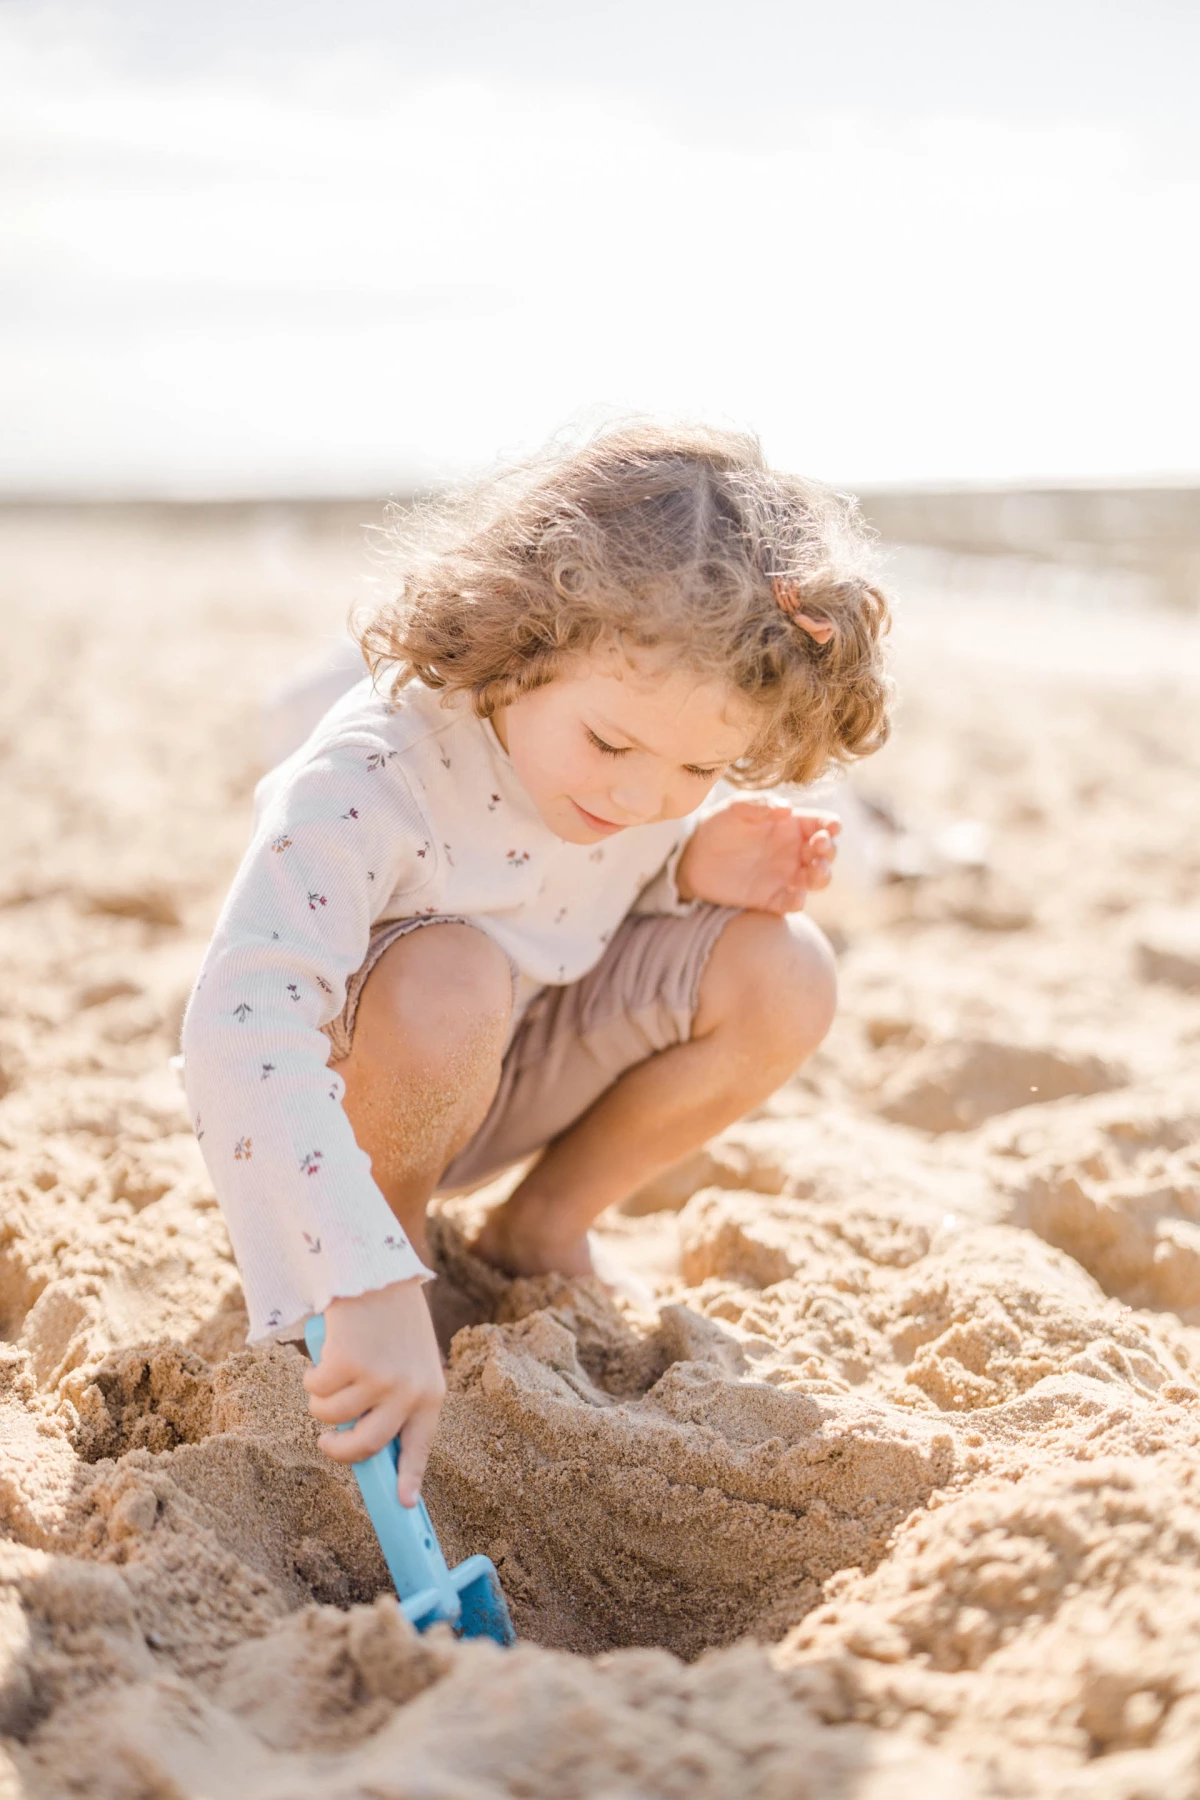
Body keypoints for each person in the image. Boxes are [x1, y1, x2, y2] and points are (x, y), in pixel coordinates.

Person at [180, 422, 892, 1506]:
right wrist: (357, 1270)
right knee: (449, 972)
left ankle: (541, 1226)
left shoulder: (636, 773)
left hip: (523, 1060)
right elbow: (243, 1016)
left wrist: (693, 866)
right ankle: (402, 1239)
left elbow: (575, 885)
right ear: (524, 640)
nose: (642, 796)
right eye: (612, 747)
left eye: (699, 765)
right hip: (372, 1099)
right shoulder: (374, 774)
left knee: (789, 971)